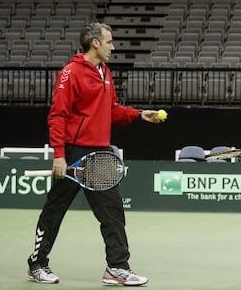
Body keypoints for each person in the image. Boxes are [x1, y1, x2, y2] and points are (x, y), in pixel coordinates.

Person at [26, 22, 163, 286]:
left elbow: (110, 110)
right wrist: (59, 155)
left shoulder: (105, 72)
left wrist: (138, 114)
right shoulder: (71, 73)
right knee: (55, 210)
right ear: (95, 43)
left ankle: (117, 267)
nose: (113, 46)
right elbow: (58, 115)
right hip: (74, 151)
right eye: (109, 41)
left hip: (100, 153)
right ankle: (37, 264)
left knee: (112, 211)